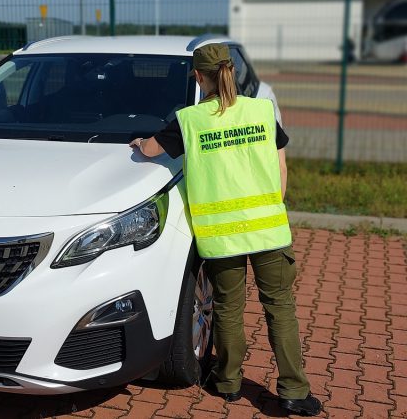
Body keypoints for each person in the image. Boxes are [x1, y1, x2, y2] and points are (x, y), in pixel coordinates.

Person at [130, 43, 322, 417]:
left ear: (200, 78)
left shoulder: (190, 121)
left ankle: (228, 382)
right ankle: (294, 393)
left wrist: (138, 141)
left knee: (229, 310)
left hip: (222, 237)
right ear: (231, 72)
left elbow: (151, 149)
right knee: (280, 309)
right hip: (269, 232)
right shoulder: (262, 111)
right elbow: (282, 170)